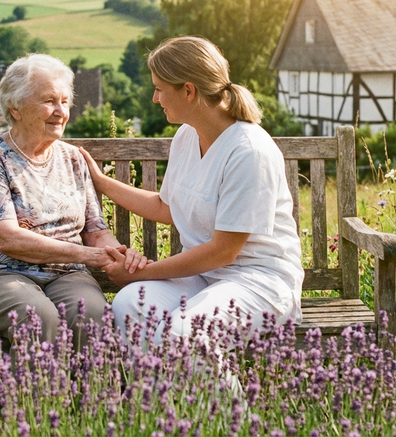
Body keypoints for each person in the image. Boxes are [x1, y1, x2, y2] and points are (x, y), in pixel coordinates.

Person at [79, 36, 303, 344]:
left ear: (188, 90)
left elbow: (224, 251)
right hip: (202, 278)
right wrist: (101, 182)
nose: (155, 99)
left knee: (186, 332)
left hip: (257, 282)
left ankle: (228, 395)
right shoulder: (186, 136)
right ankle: (153, 393)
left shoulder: (249, 151)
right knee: (129, 305)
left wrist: (143, 272)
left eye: (159, 88)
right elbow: (166, 207)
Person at [0, 53, 148, 350]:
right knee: (39, 318)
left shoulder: (72, 158)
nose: (60, 111)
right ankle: (38, 398)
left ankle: (92, 396)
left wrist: (119, 254)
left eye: (64, 101)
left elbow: (96, 232)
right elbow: (6, 238)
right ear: (16, 108)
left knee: (94, 316)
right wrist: (87, 256)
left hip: (67, 274)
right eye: (49, 101)